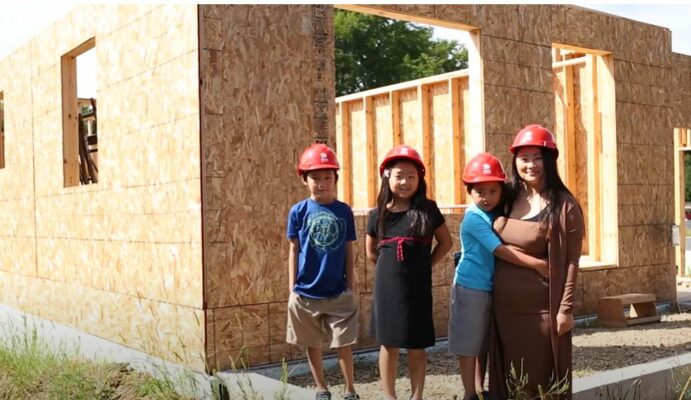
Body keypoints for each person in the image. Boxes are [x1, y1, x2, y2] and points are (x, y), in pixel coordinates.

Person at [489, 125, 585, 400]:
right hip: (503, 311)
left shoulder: (565, 205)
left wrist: (565, 309)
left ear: (550, 160)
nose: (529, 164)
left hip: (542, 312)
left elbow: (571, 262)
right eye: (523, 158)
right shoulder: (504, 197)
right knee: (510, 381)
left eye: (537, 157)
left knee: (540, 382)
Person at [449, 153, 549, 400]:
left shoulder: (497, 213)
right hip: (470, 287)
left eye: (492, 191)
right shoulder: (474, 218)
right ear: (469, 192)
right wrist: (537, 264)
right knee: (469, 344)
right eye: (479, 191)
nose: (486, 197)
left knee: (483, 342)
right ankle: (470, 393)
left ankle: (480, 388)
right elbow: (500, 250)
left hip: (488, 286)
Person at [365, 145, 453, 400]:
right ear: (387, 177)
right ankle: (389, 396)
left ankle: (417, 396)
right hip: (387, 289)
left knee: (416, 346)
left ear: (420, 179)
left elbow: (445, 243)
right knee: (388, 344)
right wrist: (389, 271)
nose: (404, 182)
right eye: (399, 175)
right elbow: (371, 253)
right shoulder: (377, 215)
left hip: (417, 288)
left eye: (411, 176)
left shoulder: (428, 210)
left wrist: (426, 264)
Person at [286, 143, 360, 400]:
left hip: (338, 290)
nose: (322, 182)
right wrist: (292, 289)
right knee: (312, 342)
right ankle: (321, 387)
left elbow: (349, 249)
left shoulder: (344, 210)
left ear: (335, 178)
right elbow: (294, 250)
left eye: (327, 176)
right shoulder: (298, 211)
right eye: (315, 177)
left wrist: (350, 285)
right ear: (305, 180)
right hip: (306, 291)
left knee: (344, 343)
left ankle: (350, 389)